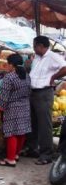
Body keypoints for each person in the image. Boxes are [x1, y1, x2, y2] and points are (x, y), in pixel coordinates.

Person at [22, 35, 66, 165]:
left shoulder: (52, 56)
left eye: (35, 46)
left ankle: (46, 154)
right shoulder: (37, 57)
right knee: (32, 122)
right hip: (33, 92)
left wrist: (54, 77)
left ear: (41, 46)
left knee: (44, 124)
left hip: (44, 93)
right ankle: (33, 149)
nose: (34, 48)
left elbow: (65, 67)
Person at [0, 53, 31, 167]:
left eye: (7, 64)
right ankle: (15, 155)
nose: (7, 66)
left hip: (12, 108)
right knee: (21, 132)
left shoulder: (9, 77)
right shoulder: (26, 76)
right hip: (25, 106)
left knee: (11, 133)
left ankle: (10, 159)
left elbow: (3, 97)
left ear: (11, 65)